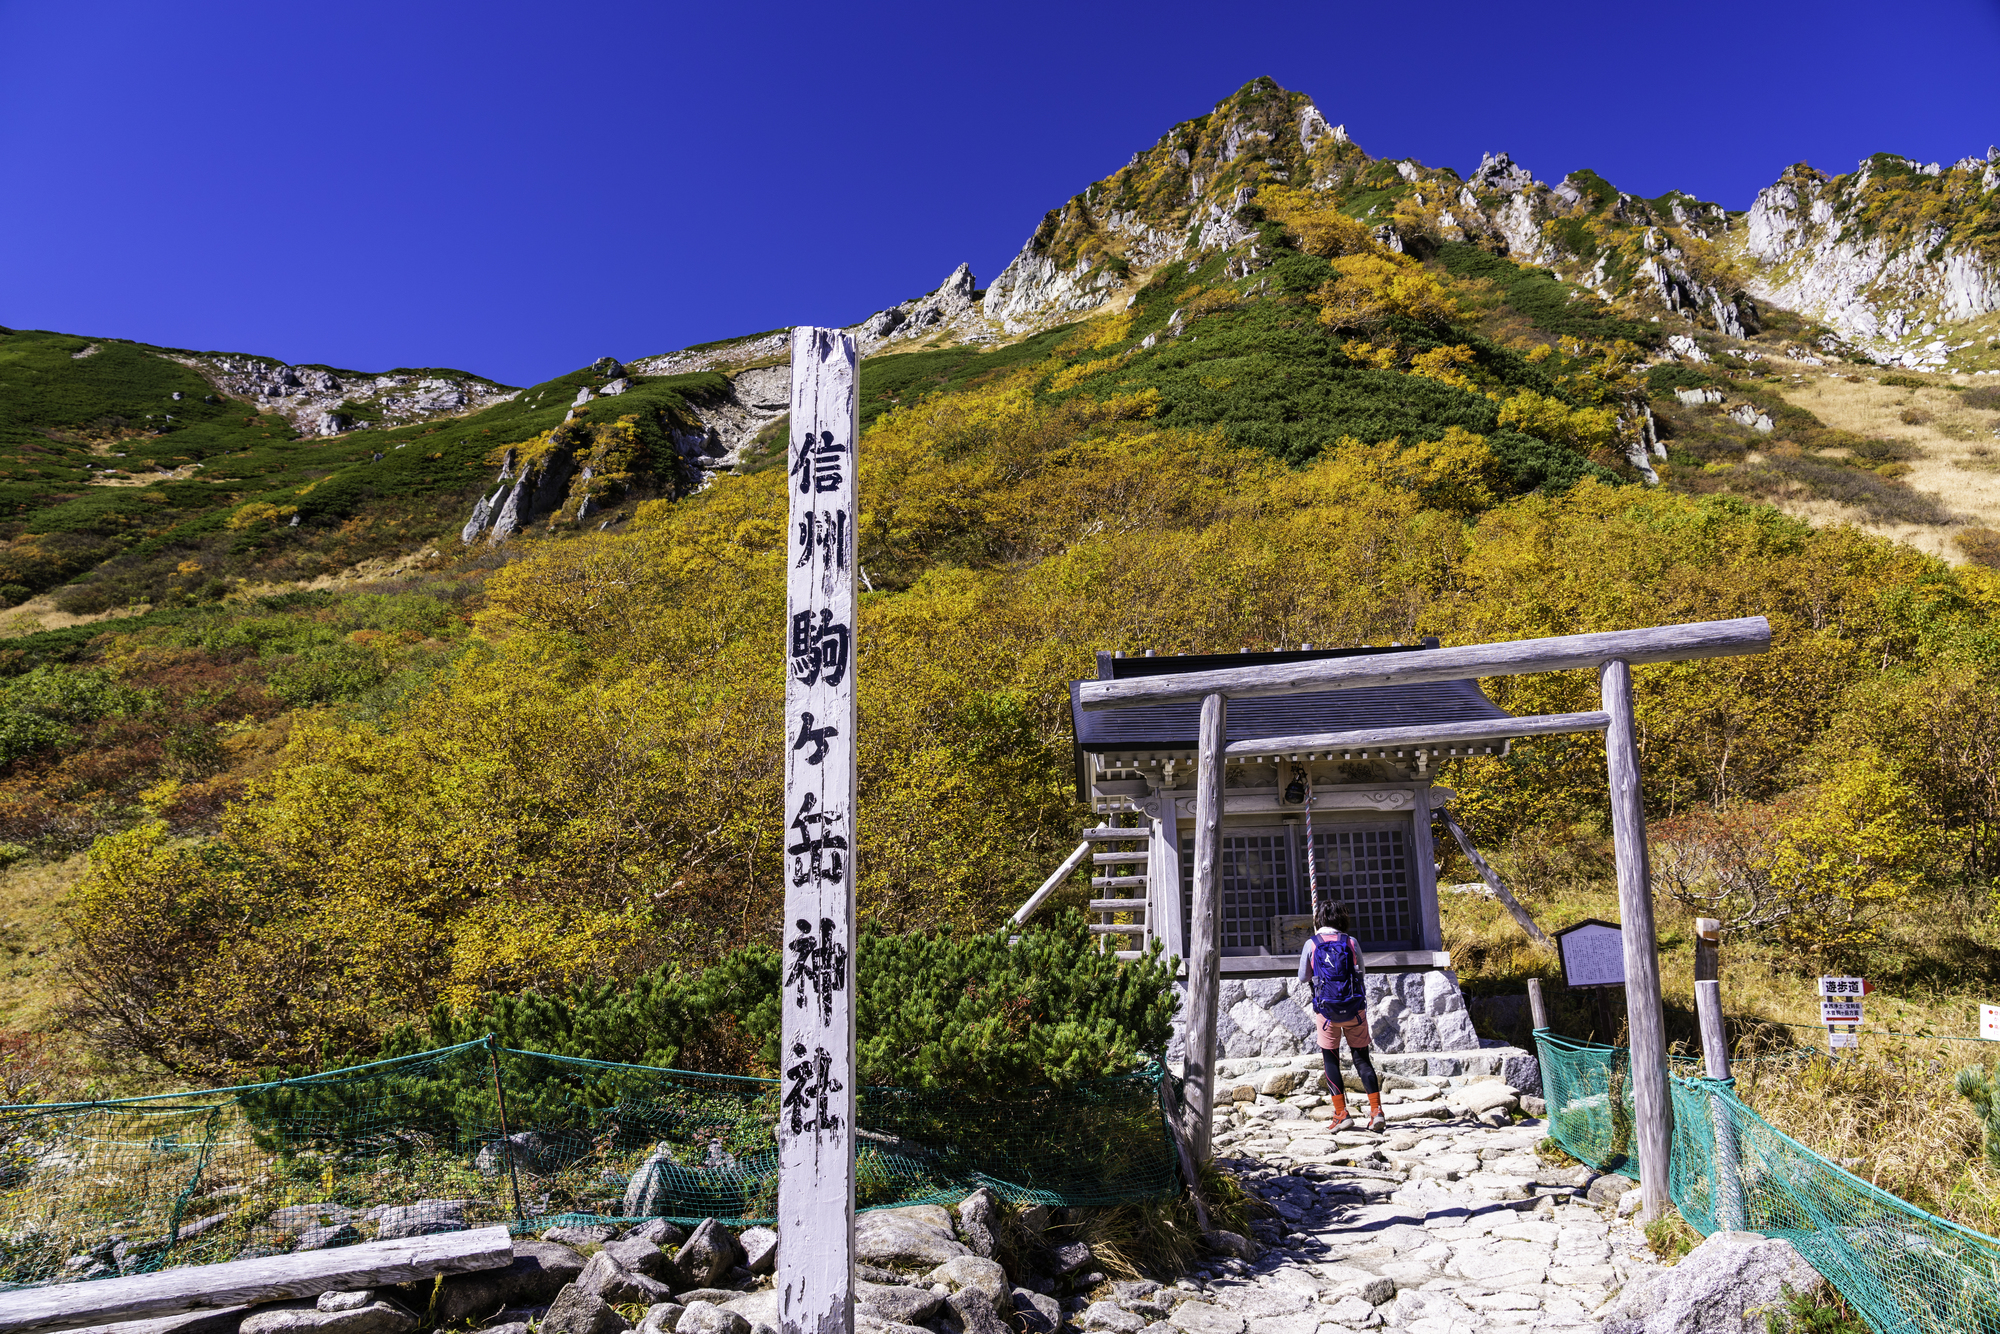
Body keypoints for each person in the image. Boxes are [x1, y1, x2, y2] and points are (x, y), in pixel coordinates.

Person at [1296, 902, 1384, 1132]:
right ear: (1342, 920)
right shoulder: (1351, 942)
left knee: (1331, 1060)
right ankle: (1376, 1112)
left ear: (1319, 920)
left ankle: (1341, 1114)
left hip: (1326, 1013)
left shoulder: (1312, 944)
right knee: (1362, 1059)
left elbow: (1303, 977)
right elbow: (1361, 973)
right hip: (1355, 1009)